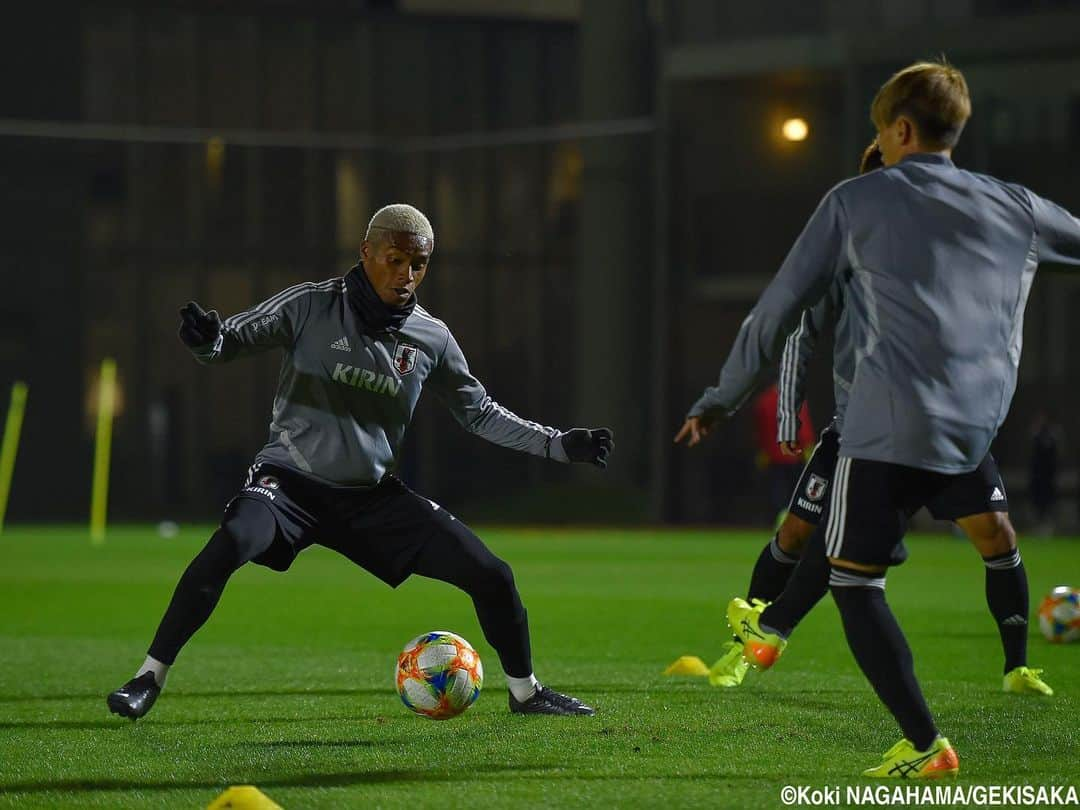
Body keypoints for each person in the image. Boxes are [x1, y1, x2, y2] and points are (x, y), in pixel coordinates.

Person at [675, 60, 1080, 777]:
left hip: (885, 425)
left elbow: (777, 312)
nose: (881, 149)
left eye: (881, 135)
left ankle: (925, 745)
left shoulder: (856, 201)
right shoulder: (1017, 206)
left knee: (854, 582)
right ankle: (765, 636)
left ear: (899, 129)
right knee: (890, 544)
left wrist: (722, 397)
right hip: (972, 432)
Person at [107, 204, 614, 720]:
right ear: (366, 252)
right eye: (394, 259)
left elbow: (478, 412)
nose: (406, 274)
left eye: (418, 264)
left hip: (369, 498)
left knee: (492, 573)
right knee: (232, 541)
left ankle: (526, 694)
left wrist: (557, 444)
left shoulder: (431, 337)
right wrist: (206, 341)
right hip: (289, 487)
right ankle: (148, 677)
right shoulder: (311, 305)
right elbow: (232, 340)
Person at [709, 144, 1051, 702]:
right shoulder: (843, 253)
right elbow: (801, 331)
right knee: (802, 535)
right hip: (859, 429)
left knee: (995, 534)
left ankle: (1016, 669)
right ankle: (747, 646)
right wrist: (791, 407)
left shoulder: (938, 255)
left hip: (943, 427)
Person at [751, 383, 815, 525]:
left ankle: (779, 522)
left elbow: (760, 433)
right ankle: (790, 523)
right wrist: (808, 449)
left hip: (773, 458)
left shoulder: (763, 401)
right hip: (794, 457)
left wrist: (763, 452)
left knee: (777, 495)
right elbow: (803, 429)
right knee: (795, 494)